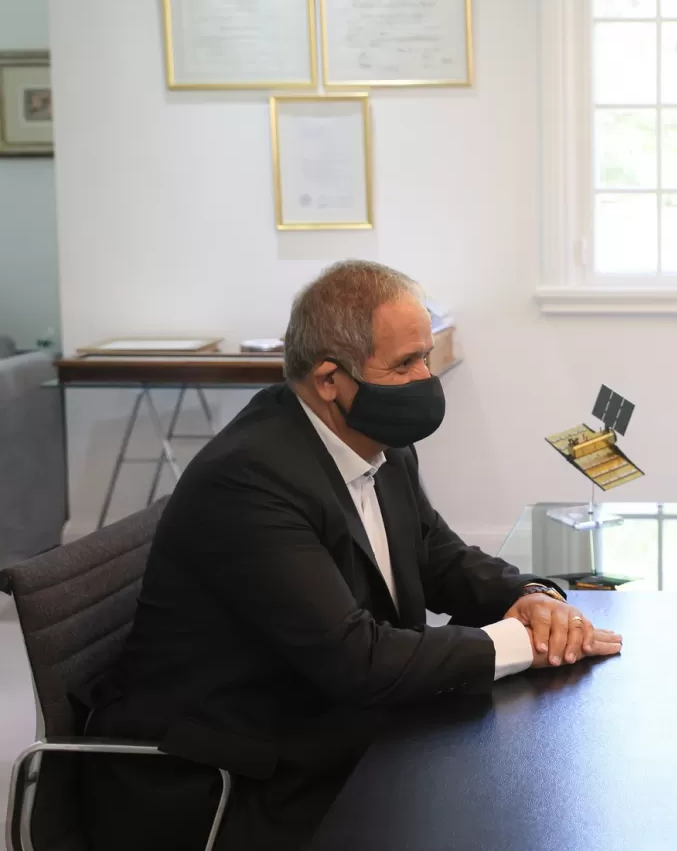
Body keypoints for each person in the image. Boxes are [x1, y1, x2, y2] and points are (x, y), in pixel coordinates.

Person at [83, 260, 622, 850]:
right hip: (233, 775)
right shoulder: (248, 481)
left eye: (425, 355)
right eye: (404, 365)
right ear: (329, 380)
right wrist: (526, 645)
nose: (426, 377)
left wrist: (531, 596)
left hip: (330, 724)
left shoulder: (379, 442)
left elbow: (436, 556)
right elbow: (354, 658)